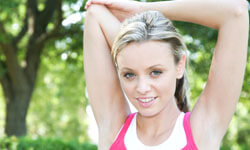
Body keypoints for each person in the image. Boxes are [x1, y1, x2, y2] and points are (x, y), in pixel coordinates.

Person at [83, 0, 249, 149]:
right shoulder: (115, 129)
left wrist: (143, 9)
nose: (142, 88)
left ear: (179, 66)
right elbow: (95, 12)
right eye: (129, 74)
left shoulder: (201, 130)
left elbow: (236, 12)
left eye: (155, 72)